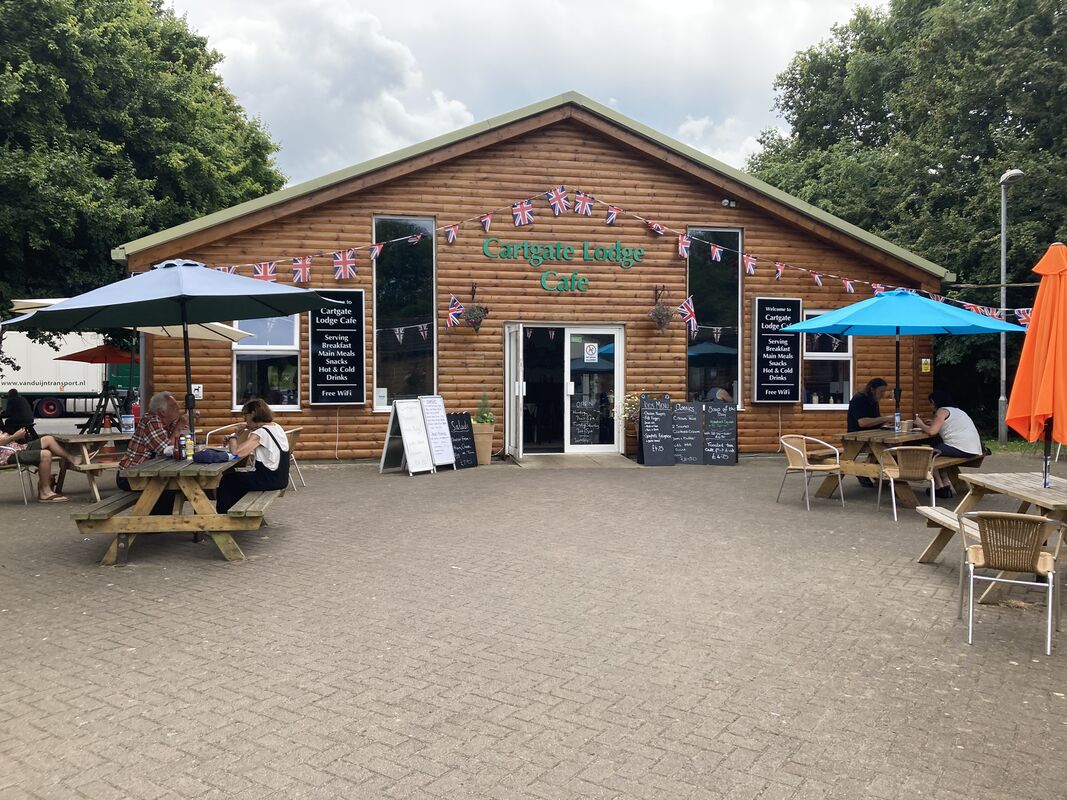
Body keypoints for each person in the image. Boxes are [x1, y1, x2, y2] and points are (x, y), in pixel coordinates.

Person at [215, 399, 289, 514]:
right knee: (236, 478)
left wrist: (234, 435)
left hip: (269, 480)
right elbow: (244, 447)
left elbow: (236, 453)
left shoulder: (261, 433)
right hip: (281, 478)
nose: (244, 418)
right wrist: (238, 436)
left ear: (253, 414)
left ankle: (223, 517)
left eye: (245, 415)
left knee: (227, 480)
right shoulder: (276, 427)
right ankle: (234, 514)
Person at [117, 390, 185, 513]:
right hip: (129, 476)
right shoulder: (151, 421)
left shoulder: (167, 422)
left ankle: (160, 520)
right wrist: (179, 428)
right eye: (173, 406)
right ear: (163, 411)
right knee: (168, 487)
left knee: (173, 486)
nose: (178, 408)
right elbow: (168, 450)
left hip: (147, 473)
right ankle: (155, 520)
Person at [914, 390, 982, 498]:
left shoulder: (942, 411)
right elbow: (950, 425)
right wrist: (934, 423)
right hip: (974, 448)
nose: (931, 406)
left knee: (930, 453)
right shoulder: (957, 411)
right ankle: (945, 483)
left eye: (931, 403)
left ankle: (939, 486)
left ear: (934, 402)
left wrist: (920, 424)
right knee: (937, 445)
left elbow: (932, 432)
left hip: (962, 449)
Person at [0, 428, 81, 502]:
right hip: (7, 456)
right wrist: (14, 437)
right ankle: (45, 492)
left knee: (48, 439)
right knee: (45, 455)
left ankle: (71, 458)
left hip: (16, 448)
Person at [847, 378, 896, 487]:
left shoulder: (874, 401)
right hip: (857, 436)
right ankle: (873, 473)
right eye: (881, 391)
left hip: (873, 434)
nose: (883, 394)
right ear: (872, 389)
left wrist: (886, 424)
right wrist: (885, 418)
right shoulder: (859, 399)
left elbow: (875, 419)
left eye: (884, 391)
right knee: (883, 449)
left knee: (890, 448)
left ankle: (874, 474)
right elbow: (862, 422)